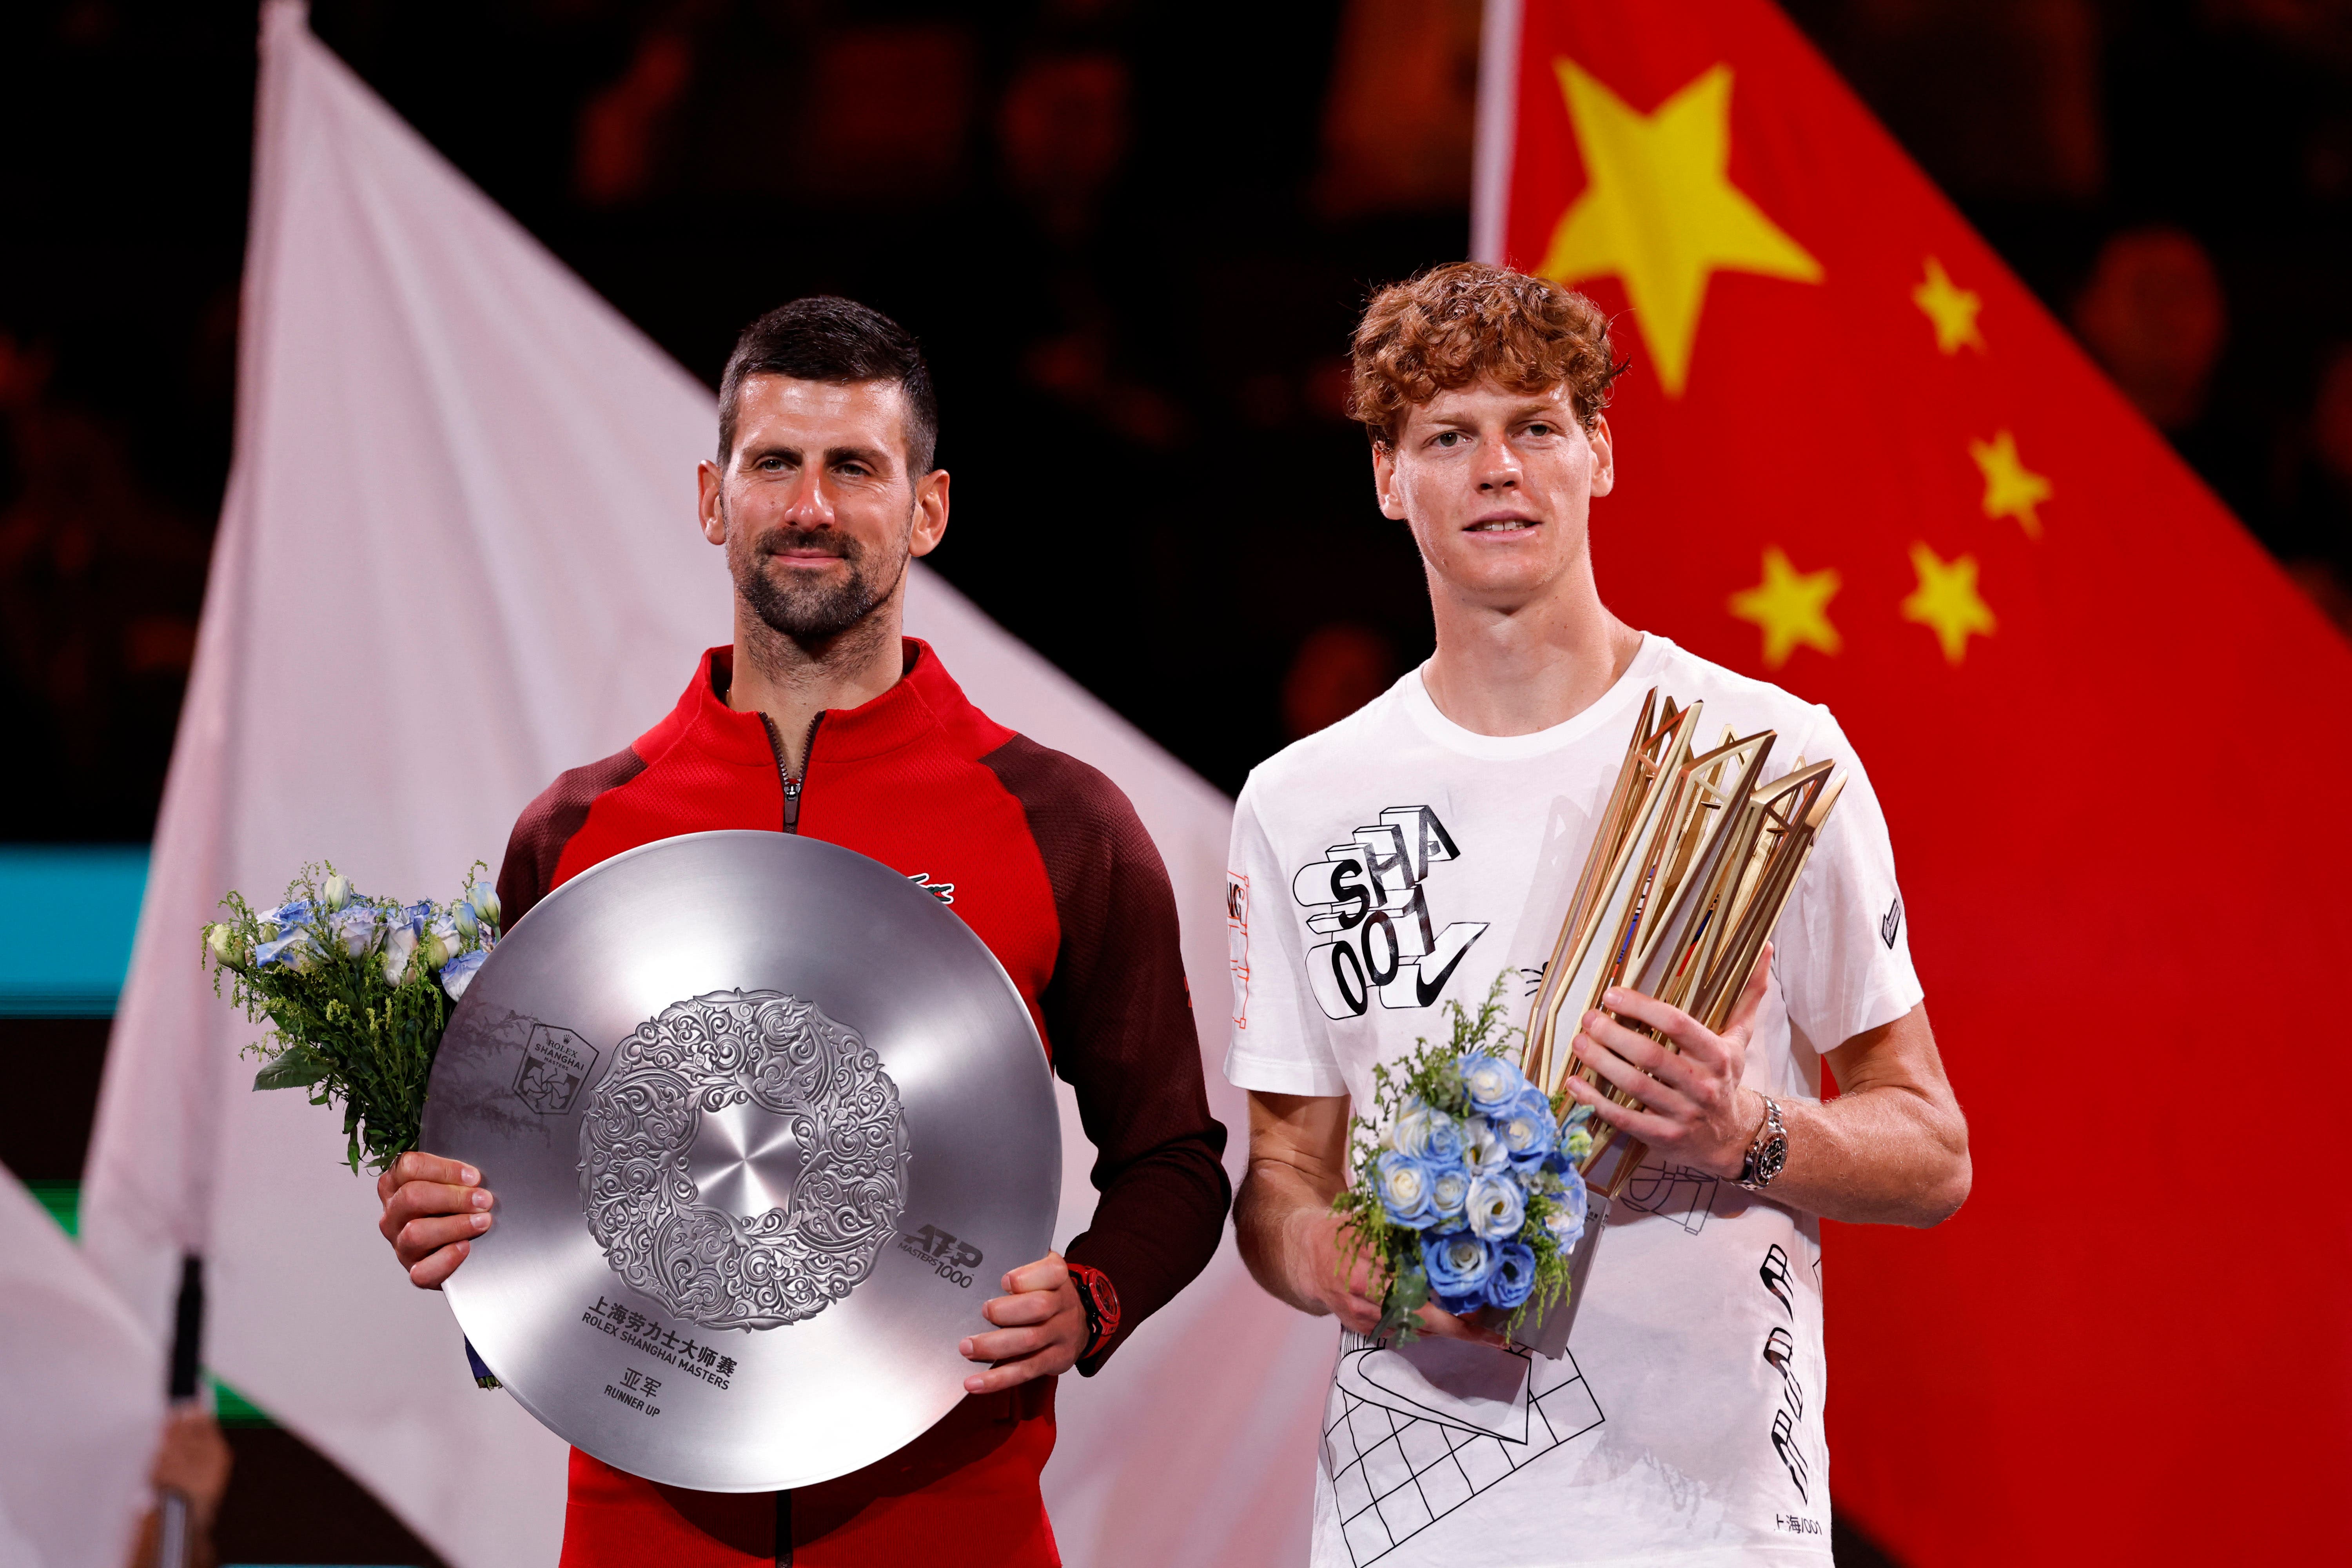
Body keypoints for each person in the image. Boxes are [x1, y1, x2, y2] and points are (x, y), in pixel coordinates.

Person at [373, 297, 1230, 1566]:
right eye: (776, 463)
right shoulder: (577, 830)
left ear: (928, 509)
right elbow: (526, 1193)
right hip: (640, 1532)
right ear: (715, 499)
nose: (812, 506)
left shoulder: (1061, 823)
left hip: (955, 1526)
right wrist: (440, 1216)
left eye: (854, 468)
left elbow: (1175, 1158)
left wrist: (1092, 1301)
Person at [1225, 263, 1970, 1565]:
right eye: (1449, 435)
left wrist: (1744, 1131)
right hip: (1413, 1523)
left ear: (1600, 455)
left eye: (1537, 426)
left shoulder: (1770, 757)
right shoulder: (1299, 802)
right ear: (1390, 480)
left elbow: (1934, 1152)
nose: (1497, 468)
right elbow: (1281, 1173)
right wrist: (1324, 1255)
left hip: (1710, 1521)